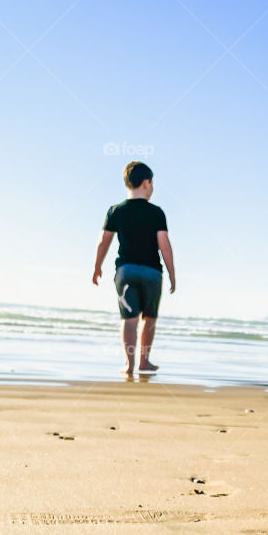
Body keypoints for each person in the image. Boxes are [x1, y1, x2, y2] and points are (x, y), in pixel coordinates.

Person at [92, 161, 175, 376]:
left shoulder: (116, 210)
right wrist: (173, 275)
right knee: (149, 318)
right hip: (151, 272)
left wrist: (97, 266)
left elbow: (104, 241)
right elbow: (164, 245)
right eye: (152, 183)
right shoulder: (157, 213)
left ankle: (129, 365)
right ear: (146, 183)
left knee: (129, 319)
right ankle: (143, 362)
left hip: (126, 270)